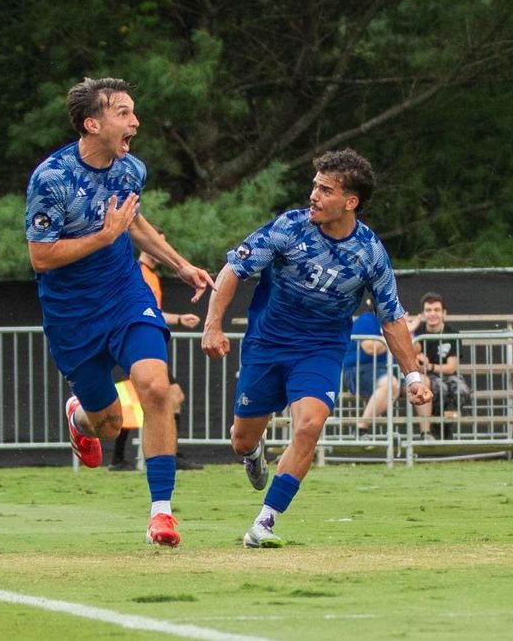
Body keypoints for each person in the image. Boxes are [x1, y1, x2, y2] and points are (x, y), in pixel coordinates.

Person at [202, 148, 432, 548]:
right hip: (267, 343)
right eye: (314, 186)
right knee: (241, 439)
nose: (313, 195)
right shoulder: (288, 228)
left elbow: (391, 317)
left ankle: (265, 522)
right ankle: (253, 452)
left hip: (321, 349)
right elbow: (232, 271)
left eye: (325, 190)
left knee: (309, 424)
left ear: (350, 201)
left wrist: (412, 374)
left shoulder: (371, 253)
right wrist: (212, 326)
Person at [25, 77, 214, 547]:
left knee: (155, 387)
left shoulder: (131, 169)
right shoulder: (51, 179)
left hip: (126, 296)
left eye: (133, 111)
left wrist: (180, 264)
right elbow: (40, 257)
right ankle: (80, 417)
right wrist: (103, 238)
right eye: (124, 113)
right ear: (93, 123)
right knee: (108, 425)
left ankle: (162, 514)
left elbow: (135, 222)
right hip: (71, 312)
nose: (135, 121)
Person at [110, 229, 204, 472]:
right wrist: (180, 319)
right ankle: (129, 458)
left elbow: (153, 313)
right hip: (135, 346)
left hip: (143, 345)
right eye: (156, 243)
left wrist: (179, 319)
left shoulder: (150, 276)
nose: (160, 248)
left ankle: (124, 459)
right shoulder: (139, 274)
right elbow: (143, 312)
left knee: (163, 397)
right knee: (143, 400)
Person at [411, 292, 472, 436]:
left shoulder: (452, 333)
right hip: (427, 378)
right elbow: (409, 358)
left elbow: (451, 367)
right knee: (440, 387)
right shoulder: (417, 332)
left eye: (436, 310)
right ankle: (437, 427)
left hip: (447, 375)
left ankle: (446, 423)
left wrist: (430, 365)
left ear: (444, 313)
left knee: (462, 389)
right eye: (428, 310)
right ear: (423, 314)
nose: (432, 314)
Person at [341, 300, 400, 439]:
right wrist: (395, 336)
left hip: (388, 371)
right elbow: (370, 348)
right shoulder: (367, 319)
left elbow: (414, 347)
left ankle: (427, 434)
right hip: (358, 370)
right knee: (390, 384)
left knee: (421, 383)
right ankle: (361, 430)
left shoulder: (396, 323)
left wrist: (406, 333)